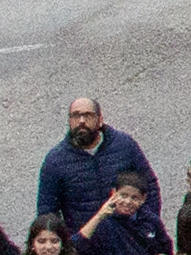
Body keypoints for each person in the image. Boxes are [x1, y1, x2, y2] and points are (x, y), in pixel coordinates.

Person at [38, 100, 155, 237]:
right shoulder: (55, 160)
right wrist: (68, 245)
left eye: (88, 115)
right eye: (75, 116)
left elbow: (150, 187)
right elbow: (47, 212)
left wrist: (147, 228)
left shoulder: (124, 146)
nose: (81, 121)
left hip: (128, 238)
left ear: (100, 119)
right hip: (85, 246)